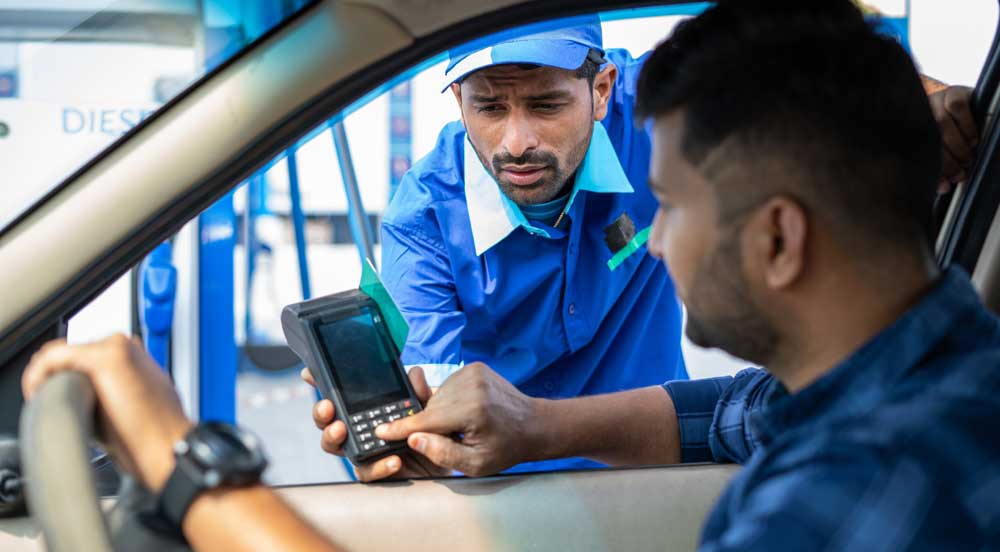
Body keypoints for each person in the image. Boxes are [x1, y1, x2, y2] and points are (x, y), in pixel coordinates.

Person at [21, 0, 991, 549]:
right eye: (487, 106)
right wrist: (523, 427)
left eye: (675, 205)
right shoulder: (919, 378)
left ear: (779, 240)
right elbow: (739, 411)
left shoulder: (839, 503)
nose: (656, 239)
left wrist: (193, 475)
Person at [374, 18, 689, 473]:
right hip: (509, 491)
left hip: (659, 459)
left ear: (601, 90)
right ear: (459, 100)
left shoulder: (661, 109)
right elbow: (425, 397)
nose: (517, 143)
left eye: (545, 105)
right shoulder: (424, 223)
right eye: (490, 108)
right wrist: (403, 442)